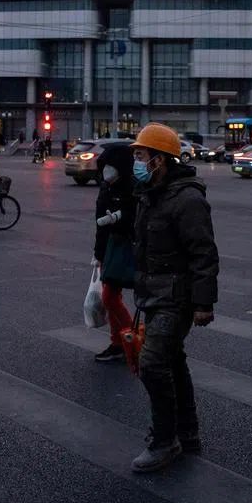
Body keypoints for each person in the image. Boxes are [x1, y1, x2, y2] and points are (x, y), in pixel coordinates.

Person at [130, 123, 219, 473]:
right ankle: (188, 431)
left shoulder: (187, 199)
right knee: (173, 361)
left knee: (153, 365)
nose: (136, 161)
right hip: (154, 294)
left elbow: (203, 253)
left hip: (177, 298)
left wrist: (203, 304)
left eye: (141, 155)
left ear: (159, 159)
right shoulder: (150, 192)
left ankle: (166, 440)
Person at [92, 143, 137, 362]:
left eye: (110, 166)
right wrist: (98, 253)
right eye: (104, 166)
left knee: (111, 297)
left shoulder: (133, 187)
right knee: (111, 296)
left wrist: (121, 217)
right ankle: (119, 341)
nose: (106, 171)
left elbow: (138, 218)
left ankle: (129, 339)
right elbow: (100, 225)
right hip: (110, 246)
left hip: (128, 246)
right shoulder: (106, 187)